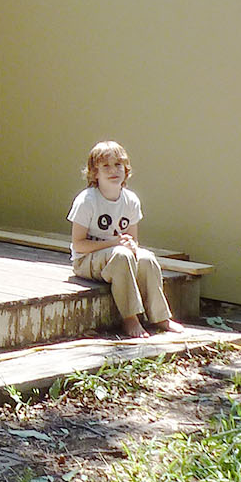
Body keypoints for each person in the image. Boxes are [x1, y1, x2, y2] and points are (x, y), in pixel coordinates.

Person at [69, 141, 183, 339]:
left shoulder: (131, 200)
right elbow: (78, 244)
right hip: (86, 261)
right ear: (95, 173)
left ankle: (160, 316)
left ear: (126, 169)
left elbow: (133, 241)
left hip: (116, 255)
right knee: (122, 255)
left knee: (147, 258)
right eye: (106, 166)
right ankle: (130, 318)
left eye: (118, 165)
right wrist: (114, 244)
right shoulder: (87, 201)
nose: (113, 171)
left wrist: (132, 246)